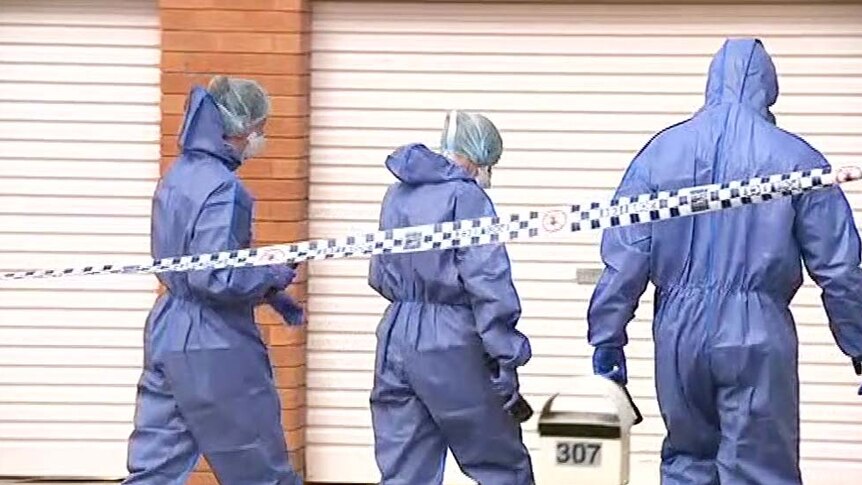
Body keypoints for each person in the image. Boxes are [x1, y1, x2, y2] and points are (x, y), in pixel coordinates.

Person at [587, 38, 862, 484]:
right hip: (756, 335)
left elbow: (625, 259)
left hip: (678, 336)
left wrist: (607, 339)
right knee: (760, 470)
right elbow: (840, 270)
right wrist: (858, 342)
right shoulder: (797, 160)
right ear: (768, 88)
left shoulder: (659, 155)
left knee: (687, 465)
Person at [124, 76, 304, 485]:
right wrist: (269, 275)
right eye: (260, 127)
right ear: (240, 128)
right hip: (216, 338)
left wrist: (264, 283)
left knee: (157, 462)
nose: (262, 137)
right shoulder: (226, 189)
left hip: (169, 327)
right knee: (256, 462)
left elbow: (194, 261)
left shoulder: (178, 175)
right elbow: (215, 276)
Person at [368, 110, 535, 484]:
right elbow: (487, 280)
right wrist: (506, 355)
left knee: (405, 466)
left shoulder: (397, 194)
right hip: (452, 339)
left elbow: (380, 272)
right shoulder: (467, 198)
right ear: (478, 157)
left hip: (396, 333)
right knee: (499, 463)